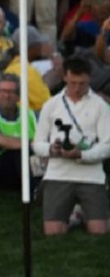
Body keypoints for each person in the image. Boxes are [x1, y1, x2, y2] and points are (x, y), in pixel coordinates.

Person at [32, 58, 110, 236]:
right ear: (65, 78)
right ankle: (74, 212)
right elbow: (37, 143)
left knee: (99, 231)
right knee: (53, 232)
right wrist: (52, 150)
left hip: (91, 176)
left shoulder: (100, 106)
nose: (77, 88)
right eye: (73, 82)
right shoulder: (51, 105)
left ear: (89, 79)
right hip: (58, 174)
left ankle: (83, 212)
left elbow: (107, 145)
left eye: (82, 83)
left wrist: (82, 155)